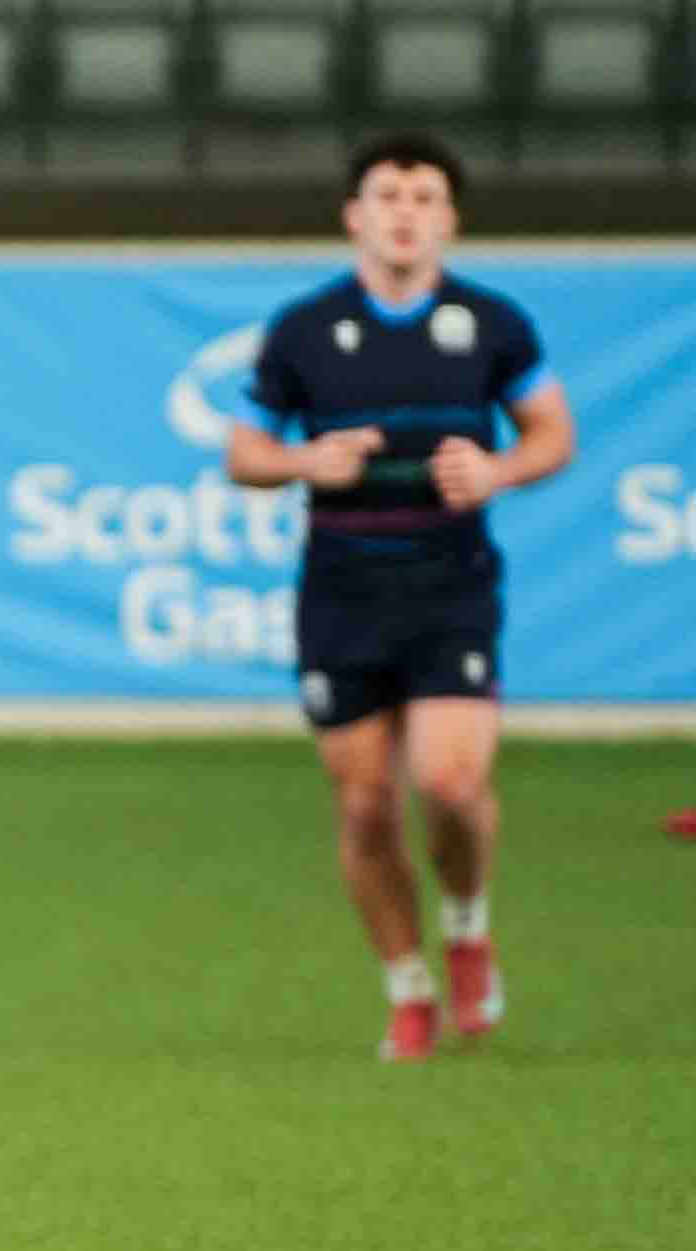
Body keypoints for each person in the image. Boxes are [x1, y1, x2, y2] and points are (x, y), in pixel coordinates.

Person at [227, 133, 573, 1061]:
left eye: (423, 197)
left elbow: (552, 432)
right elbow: (243, 451)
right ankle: (407, 988)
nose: (404, 212)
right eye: (387, 195)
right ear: (355, 215)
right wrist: (303, 458)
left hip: (449, 589)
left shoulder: (492, 325)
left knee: (451, 784)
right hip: (340, 597)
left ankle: (465, 926)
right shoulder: (302, 331)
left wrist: (497, 470)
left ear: (448, 219)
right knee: (365, 807)